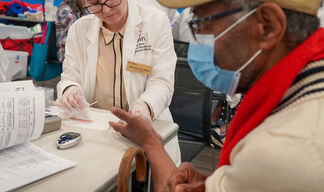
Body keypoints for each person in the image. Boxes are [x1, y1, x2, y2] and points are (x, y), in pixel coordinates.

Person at [109, 0, 324, 191]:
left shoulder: (281, 151)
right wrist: (223, 180)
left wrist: (150, 141)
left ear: (268, 26)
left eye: (203, 24)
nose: (198, 41)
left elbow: (269, 167)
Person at [56, 0, 181, 165]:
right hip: (97, 132)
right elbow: (70, 76)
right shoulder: (79, 29)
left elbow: (162, 81)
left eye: (110, 0)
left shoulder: (155, 22)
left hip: (146, 129)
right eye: (95, 4)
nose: (106, 10)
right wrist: (71, 90)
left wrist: (144, 106)